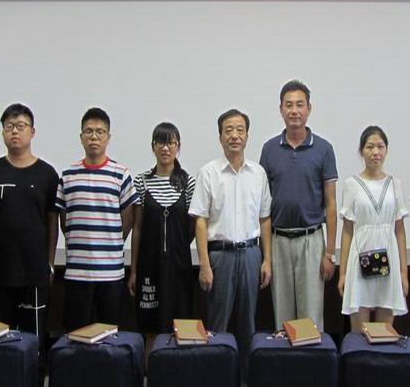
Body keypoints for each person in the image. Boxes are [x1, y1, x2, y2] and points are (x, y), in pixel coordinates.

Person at [0, 103, 59, 360]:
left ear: (32, 132)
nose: (15, 131)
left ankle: (34, 377)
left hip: (34, 272)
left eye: (21, 126)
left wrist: (50, 262)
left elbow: (52, 221)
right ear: (3, 132)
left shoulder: (47, 174)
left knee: (34, 343)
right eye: (9, 126)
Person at [189, 109, 272, 362]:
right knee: (218, 324)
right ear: (220, 137)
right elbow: (200, 220)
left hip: (251, 254)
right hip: (220, 256)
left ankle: (247, 376)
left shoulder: (258, 173)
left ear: (247, 136)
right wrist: (204, 264)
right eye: (228, 130)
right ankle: (217, 374)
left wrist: (267, 260)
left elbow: (265, 218)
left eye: (240, 130)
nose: (234, 135)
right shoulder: (209, 172)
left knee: (249, 324)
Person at [260, 80, 337, 331]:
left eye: (300, 105)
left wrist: (330, 254)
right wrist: (266, 256)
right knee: (283, 319)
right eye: (289, 105)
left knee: (310, 319)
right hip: (278, 240)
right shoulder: (269, 149)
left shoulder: (324, 149)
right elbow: (263, 207)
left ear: (309, 109)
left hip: (311, 241)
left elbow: (331, 204)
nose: (294, 111)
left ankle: (311, 356)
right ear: (281, 110)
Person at [56, 107, 140, 331]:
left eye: (100, 132)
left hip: (111, 274)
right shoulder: (68, 175)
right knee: (76, 336)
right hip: (77, 273)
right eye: (89, 131)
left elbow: (128, 218)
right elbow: (64, 221)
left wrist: (112, 241)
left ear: (108, 137)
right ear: (81, 137)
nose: (94, 137)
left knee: (109, 337)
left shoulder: (120, 174)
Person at [128, 122, 196, 351]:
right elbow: (137, 228)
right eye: (160, 143)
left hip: (179, 267)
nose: (165, 148)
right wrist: (134, 270)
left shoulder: (188, 182)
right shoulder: (141, 181)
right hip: (149, 266)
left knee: (181, 327)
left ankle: (176, 369)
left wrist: (175, 248)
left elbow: (193, 226)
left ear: (178, 147)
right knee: (150, 328)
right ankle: (151, 369)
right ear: (153, 147)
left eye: (171, 143)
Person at [337, 126, 409, 332]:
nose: (375, 152)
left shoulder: (394, 184)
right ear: (361, 151)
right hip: (361, 257)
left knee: (384, 334)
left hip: (389, 259)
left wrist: (403, 272)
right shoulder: (352, 184)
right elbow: (347, 231)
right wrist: (343, 273)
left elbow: (400, 230)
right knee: (360, 335)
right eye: (369, 147)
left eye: (380, 146)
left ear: (386, 150)